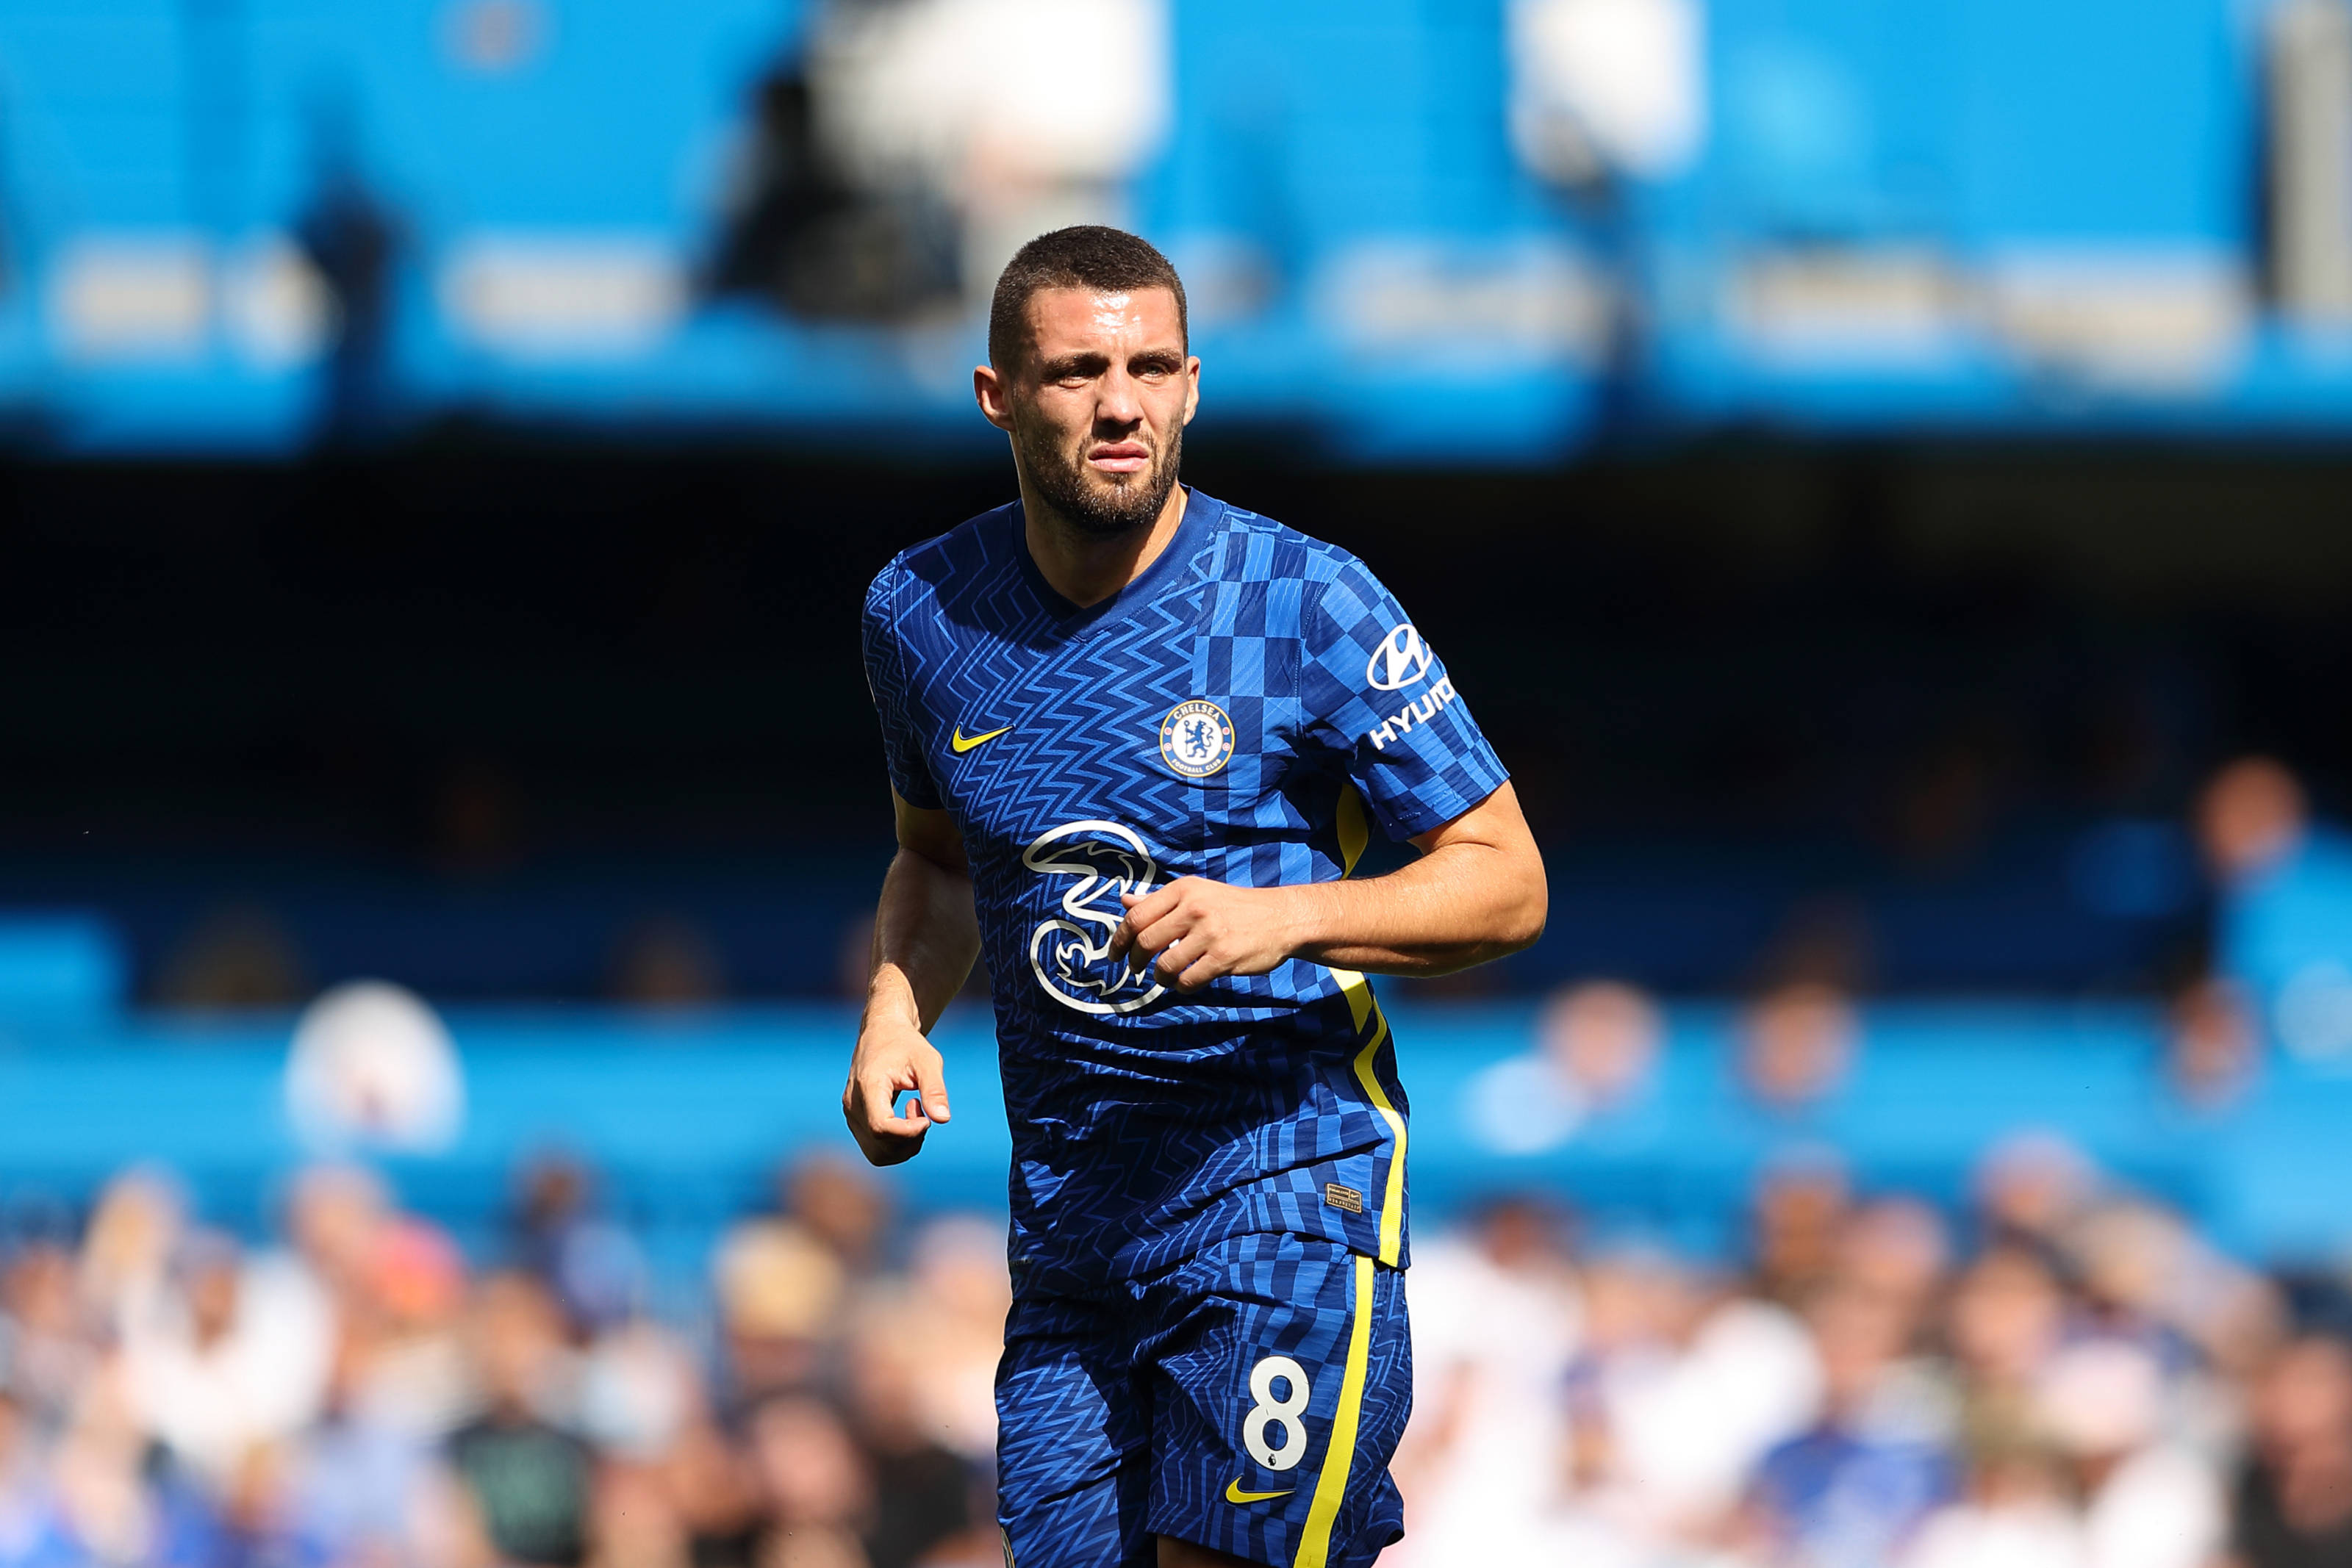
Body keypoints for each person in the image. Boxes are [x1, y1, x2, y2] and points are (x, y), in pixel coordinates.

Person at [845, 226, 1548, 1568]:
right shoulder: (921, 611)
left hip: (1284, 1188)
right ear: (999, 394)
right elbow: (934, 860)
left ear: (1192, 385)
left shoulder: (1307, 602)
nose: (1121, 404)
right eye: (1079, 372)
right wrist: (894, 1013)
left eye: (1151, 368)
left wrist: (1284, 917)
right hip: (1075, 1229)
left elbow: (1507, 882)